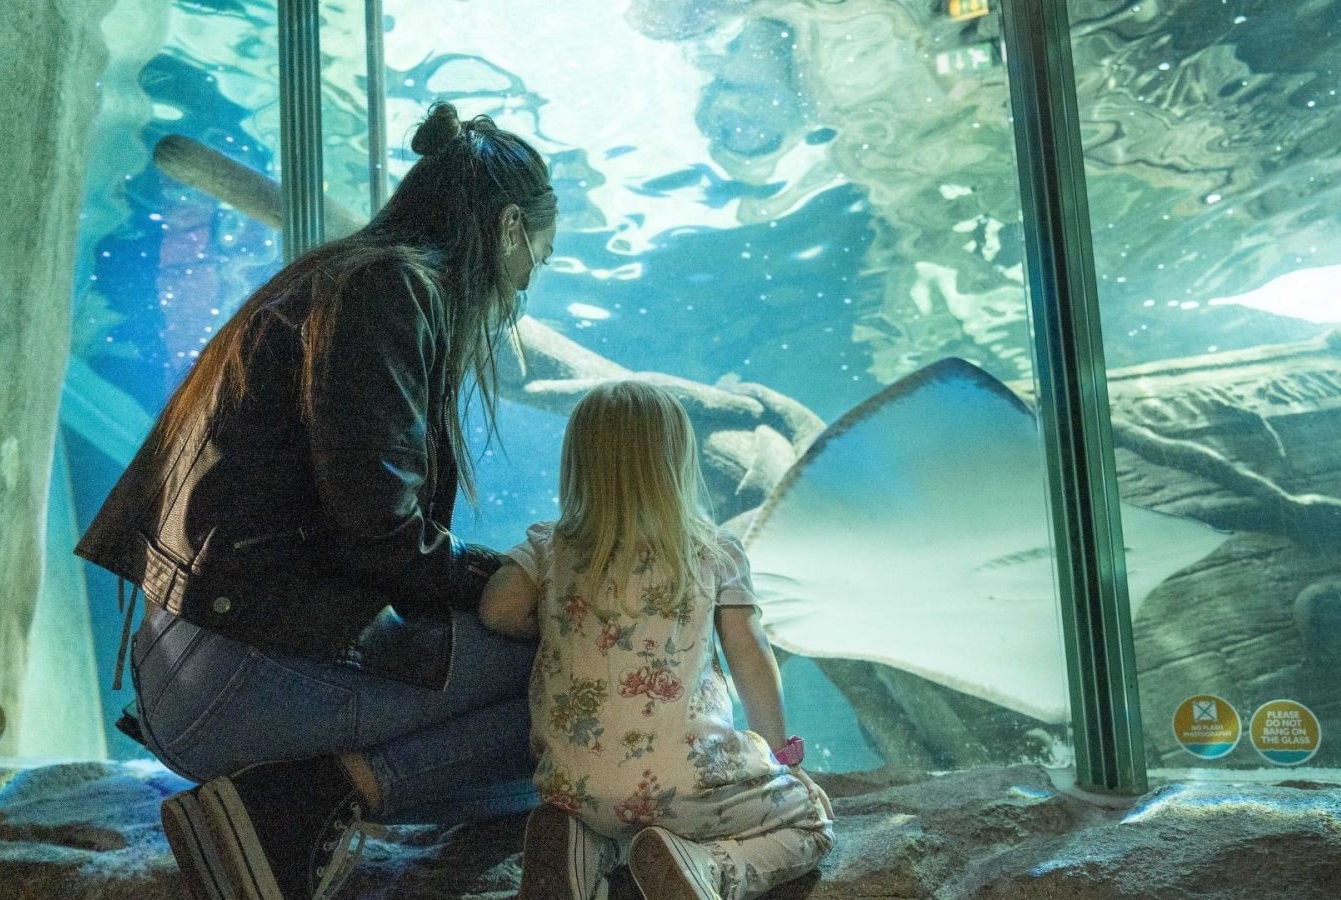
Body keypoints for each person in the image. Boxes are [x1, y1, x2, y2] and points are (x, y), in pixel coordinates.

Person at [74, 100, 557, 900]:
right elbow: (379, 532)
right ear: (508, 228)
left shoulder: (345, 276)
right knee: (593, 687)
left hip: (199, 668)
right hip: (236, 676)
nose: (530, 282)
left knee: (547, 766)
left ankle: (299, 807)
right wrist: (501, 582)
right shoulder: (391, 290)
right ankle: (294, 809)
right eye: (539, 255)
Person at [479, 380, 836, 900]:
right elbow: (752, 659)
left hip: (572, 789)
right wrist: (781, 753)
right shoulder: (714, 552)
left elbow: (496, 609)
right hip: (687, 787)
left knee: (606, 813)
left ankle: (583, 848)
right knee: (812, 819)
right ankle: (709, 866)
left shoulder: (547, 544)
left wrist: (551, 621)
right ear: (677, 464)